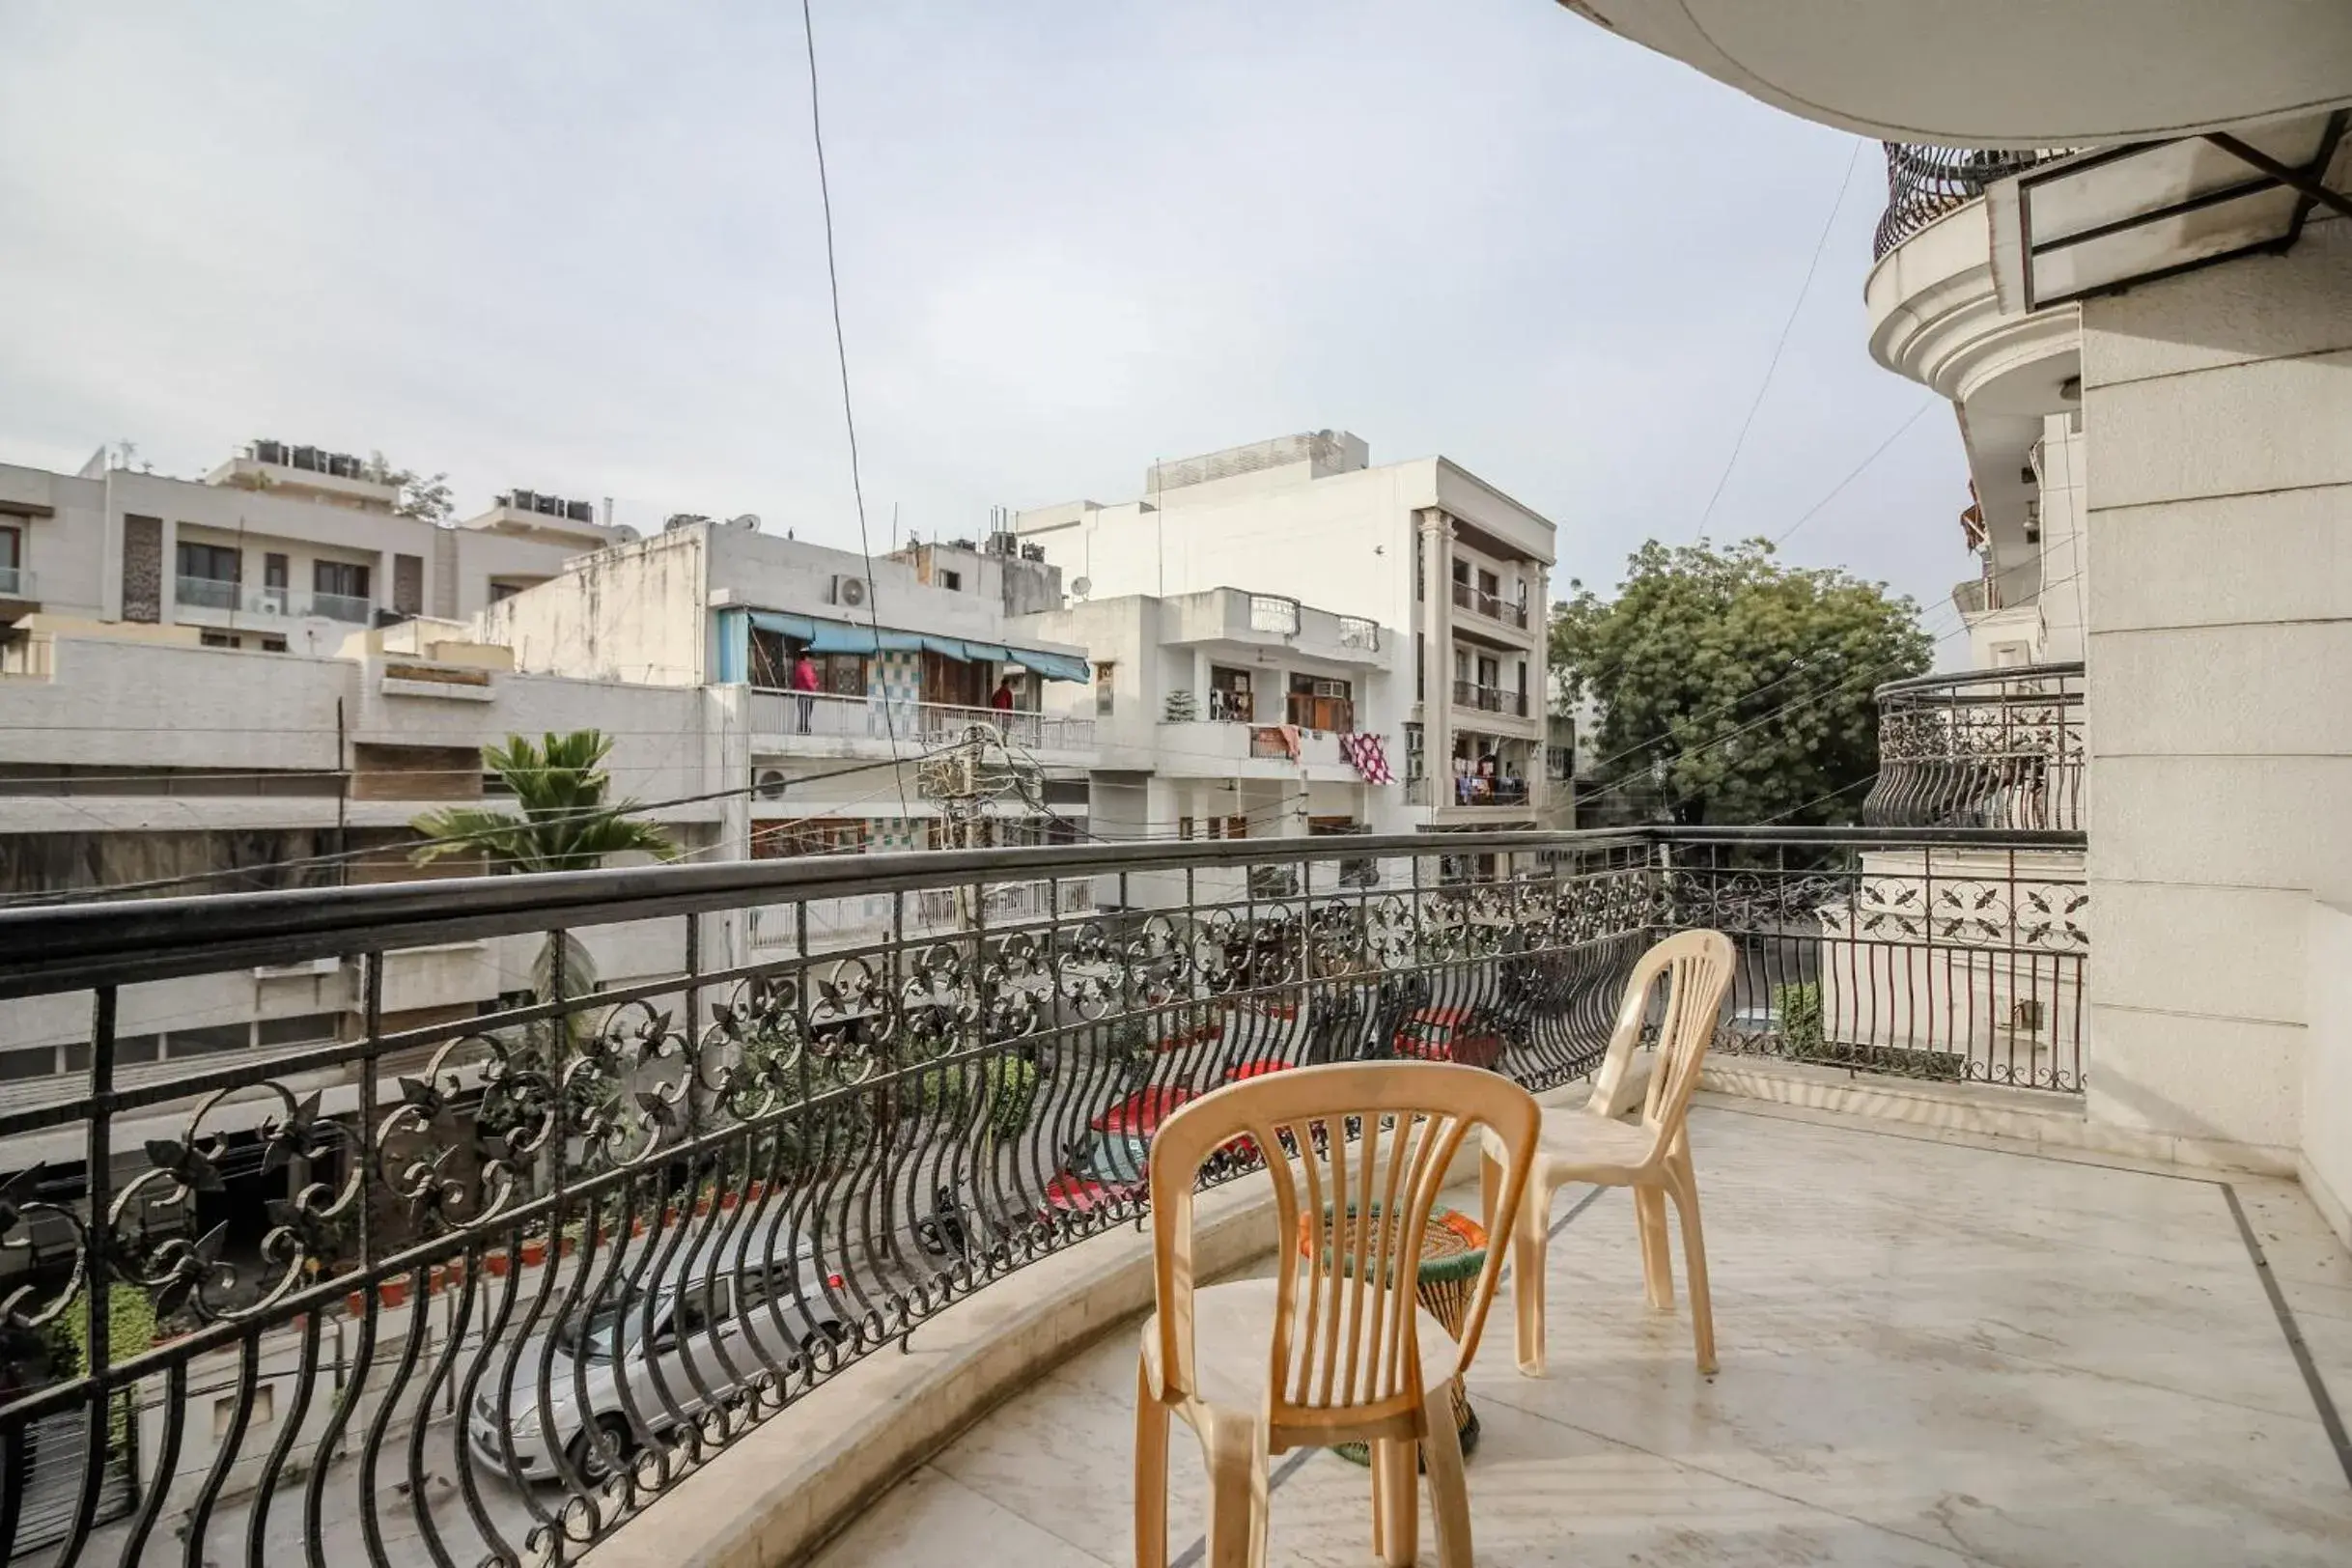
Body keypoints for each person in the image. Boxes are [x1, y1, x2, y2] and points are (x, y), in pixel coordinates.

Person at [791, 649, 821, 733]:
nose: (812, 660)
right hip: (806, 694)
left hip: (800, 693)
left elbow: (796, 682)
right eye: (811, 658)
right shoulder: (806, 667)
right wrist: (814, 687)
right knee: (806, 713)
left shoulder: (799, 667)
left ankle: (803, 728)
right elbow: (809, 681)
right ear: (806, 658)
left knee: (803, 713)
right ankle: (805, 729)